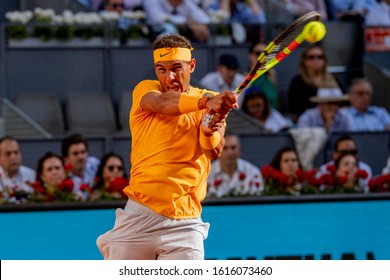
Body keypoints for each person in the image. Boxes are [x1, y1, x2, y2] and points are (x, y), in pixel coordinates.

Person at [97, 33, 238, 260]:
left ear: (191, 66)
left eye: (175, 67)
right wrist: (205, 103)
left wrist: (208, 130)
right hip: (139, 215)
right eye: (161, 69)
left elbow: (213, 151)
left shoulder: (209, 101)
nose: (169, 76)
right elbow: (163, 104)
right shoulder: (146, 90)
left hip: (185, 223)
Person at [287, 45, 343, 120]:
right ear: (304, 61)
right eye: (311, 57)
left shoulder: (334, 79)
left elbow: (344, 102)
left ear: (324, 60)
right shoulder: (297, 82)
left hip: (336, 119)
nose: (316, 60)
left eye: (320, 57)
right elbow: (295, 107)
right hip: (308, 121)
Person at [207, 133, 263, 198]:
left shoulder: (253, 172)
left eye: (233, 148)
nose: (229, 152)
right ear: (218, 151)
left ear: (240, 150)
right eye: (225, 148)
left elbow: (260, 197)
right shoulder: (207, 174)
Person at [143, 0, 211, 42]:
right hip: (152, 37)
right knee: (168, 28)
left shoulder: (186, 2)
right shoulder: (152, 1)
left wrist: (201, 25)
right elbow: (157, 18)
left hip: (181, 42)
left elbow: (204, 18)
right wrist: (185, 21)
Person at [244, 41, 278, 109]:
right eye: (259, 53)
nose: (262, 57)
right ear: (250, 55)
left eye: (266, 54)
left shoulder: (271, 75)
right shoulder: (244, 78)